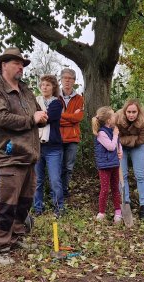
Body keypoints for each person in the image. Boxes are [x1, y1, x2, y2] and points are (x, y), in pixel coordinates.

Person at [0, 47, 46, 265]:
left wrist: (43, 117)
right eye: (17, 63)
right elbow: (0, 118)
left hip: (29, 156)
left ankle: (17, 237)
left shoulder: (26, 91)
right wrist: (32, 119)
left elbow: (36, 112)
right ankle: (1, 247)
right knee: (7, 205)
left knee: (24, 202)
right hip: (8, 157)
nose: (21, 67)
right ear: (4, 65)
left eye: (22, 64)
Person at [116, 99, 144, 218]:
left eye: (134, 112)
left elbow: (143, 139)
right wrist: (130, 139)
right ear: (125, 111)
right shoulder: (117, 117)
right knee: (123, 175)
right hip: (120, 146)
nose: (131, 115)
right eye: (129, 112)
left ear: (138, 112)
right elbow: (114, 137)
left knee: (140, 175)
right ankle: (125, 202)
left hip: (138, 145)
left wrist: (128, 139)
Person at [33, 74, 64, 216]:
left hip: (53, 148)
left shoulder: (57, 103)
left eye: (48, 85)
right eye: (43, 85)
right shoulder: (34, 101)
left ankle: (59, 208)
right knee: (37, 180)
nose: (44, 87)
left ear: (53, 88)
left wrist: (36, 116)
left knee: (55, 180)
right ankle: (38, 208)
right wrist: (34, 117)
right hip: (37, 146)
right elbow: (29, 116)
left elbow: (46, 119)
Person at [92, 107, 123, 223]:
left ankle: (118, 212)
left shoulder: (114, 129)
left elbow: (118, 145)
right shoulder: (101, 133)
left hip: (115, 163)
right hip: (105, 165)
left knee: (116, 188)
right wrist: (115, 135)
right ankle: (101, 212)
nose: (116, 116)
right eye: (113, 115)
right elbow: (110, 146)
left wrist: (121, 152)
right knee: (105, 189)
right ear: (109, 120)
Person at [59, 68, 84, 199]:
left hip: (73, 138)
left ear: (74, 81)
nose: (67, 80)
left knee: (68, 167)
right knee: (57, 166)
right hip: (57, 137)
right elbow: (54, 119)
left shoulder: (79, 98)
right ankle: (56, 191)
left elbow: (78, 118)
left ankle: (64, 190)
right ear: (61, 80)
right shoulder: (55, 97)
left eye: (70, 78)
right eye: (65, 78)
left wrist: (62, 116)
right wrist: (69, 118)